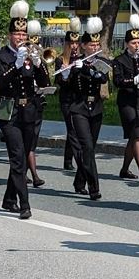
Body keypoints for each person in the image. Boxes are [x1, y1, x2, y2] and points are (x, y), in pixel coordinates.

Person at [0, 0, 50, 218]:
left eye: (24, 34)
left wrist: (38, 64)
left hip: (29, 110)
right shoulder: (0, 57)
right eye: (17, 34)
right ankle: (24, 204)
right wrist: (15, 66)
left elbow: (44, 82)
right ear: (9, 35)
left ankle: (8, 198)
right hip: (8, 109)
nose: (21, 38)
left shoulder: (30, 54)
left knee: (24, 156)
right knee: (17, 157)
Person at [59, 17, 108, 200]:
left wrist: (89, 69)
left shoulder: (100, 62)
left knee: (90, 148)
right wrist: (69, 72)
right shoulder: (76, 62)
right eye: (92, 45)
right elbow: (66, 84)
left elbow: (103, 79)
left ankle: (79, 182)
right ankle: (94, 187)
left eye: (97, 44)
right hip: (78, 108)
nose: (95, 48)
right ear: (84, 45)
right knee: (86, 146)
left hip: (95, 108)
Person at [112, 15, 139, 183]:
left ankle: (125, 168)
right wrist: (132, 81)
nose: (137, 46)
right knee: (138, 134)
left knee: (134, 137)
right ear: (127, 44)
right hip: (127, 101)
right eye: (133, 43)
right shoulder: (120, 60)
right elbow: (118, 81)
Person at [25, 19, 47, 188]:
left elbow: (46, 80)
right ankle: (34, 174)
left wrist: (39, 62)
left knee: (33, 139)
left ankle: (24, 172)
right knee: (27, 140)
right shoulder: (20, 57)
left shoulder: (40, 58)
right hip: (23, 103)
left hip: (37, 101)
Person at [58, 18, 82, 171]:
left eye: (76, 43)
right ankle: (76, 160)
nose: (74, 46)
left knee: (73, 130)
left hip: (78, 99)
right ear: (66, 44)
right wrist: (65, 74)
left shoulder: (81, 59)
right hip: (66, 99)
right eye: (71, 44)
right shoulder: (61, 59)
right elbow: (58, 80)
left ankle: (68, 159)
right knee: (72, 129)